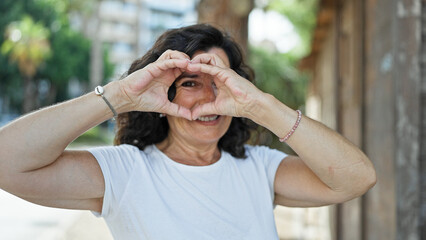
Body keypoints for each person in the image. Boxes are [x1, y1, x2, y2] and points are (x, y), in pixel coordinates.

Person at [0, 24, 376, 239]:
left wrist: (261, 106)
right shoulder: (126, 172)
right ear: (162, 94)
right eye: (192, 83)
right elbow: (7, 161)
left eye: (221, 82)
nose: (211, 100)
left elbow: (356, 178)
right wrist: (119, 95)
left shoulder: (259, 168)